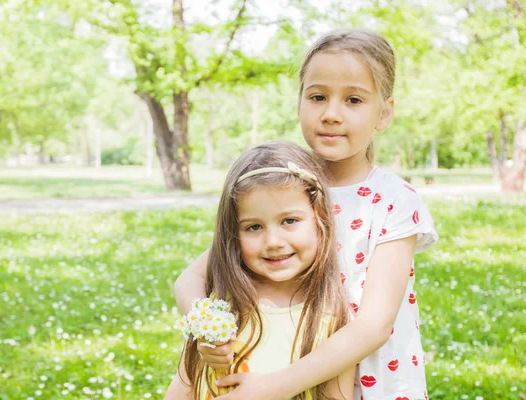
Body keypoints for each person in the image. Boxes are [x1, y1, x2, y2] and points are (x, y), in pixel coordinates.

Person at [174, 28, 438, 400]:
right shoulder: (283, 183)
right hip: (288, 361)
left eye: (353, 100)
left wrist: (275, 387)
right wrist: (208, 330)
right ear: (299, 103)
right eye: (317, 97)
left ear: (385, 112)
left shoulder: (394, 200)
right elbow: (190, 279)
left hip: (369, 376)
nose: (331, 114)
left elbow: (374, 326)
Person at [165, 141, 355, 400]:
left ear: (319, 217)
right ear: (234, 232)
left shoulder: (330, 318)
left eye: (289, 221)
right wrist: (204, 329)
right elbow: (185, 384)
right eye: (254, 227)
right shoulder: (223, 305)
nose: (273, 242)